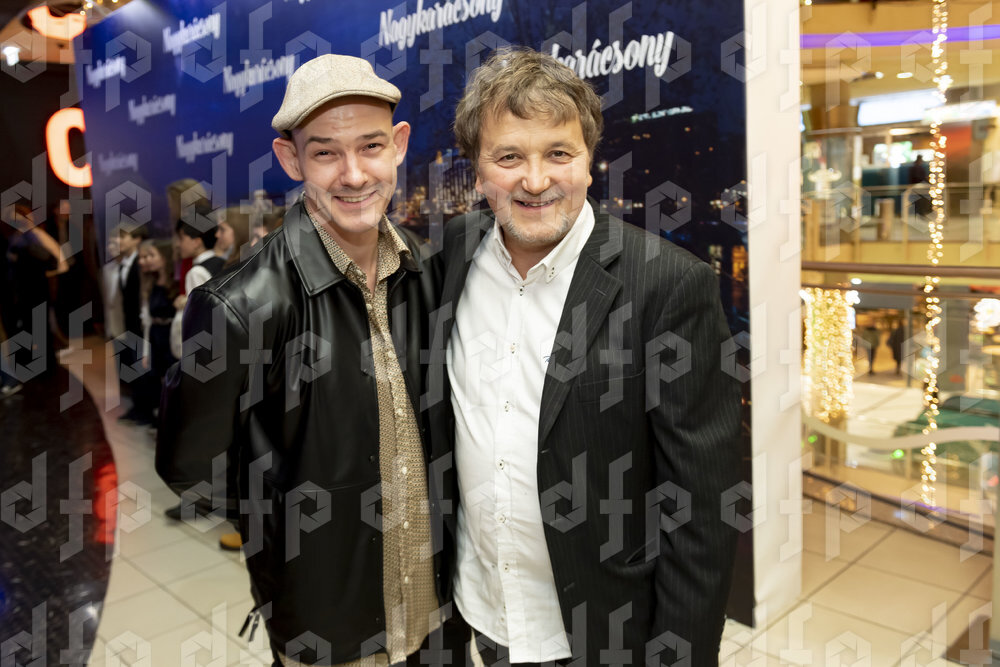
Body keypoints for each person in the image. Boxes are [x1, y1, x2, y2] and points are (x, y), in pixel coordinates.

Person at [429, 47, 742, 666]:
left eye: (559, 153)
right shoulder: (449, 259)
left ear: (590, 161)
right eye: (508, 157)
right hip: (482, 610)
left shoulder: (666, 284)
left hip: (602, 630)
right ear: (478, 171)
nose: (535, 180)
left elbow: (703, 507)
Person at [156, 54, 460, 666]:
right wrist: (289, 516)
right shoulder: (241, 304)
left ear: (399, 145)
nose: (354, 174)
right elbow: (191, 465)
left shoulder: (427, 271)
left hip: (439, 611)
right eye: (325, 153)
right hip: (329, 628)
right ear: (291, 159)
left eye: (371, 146)